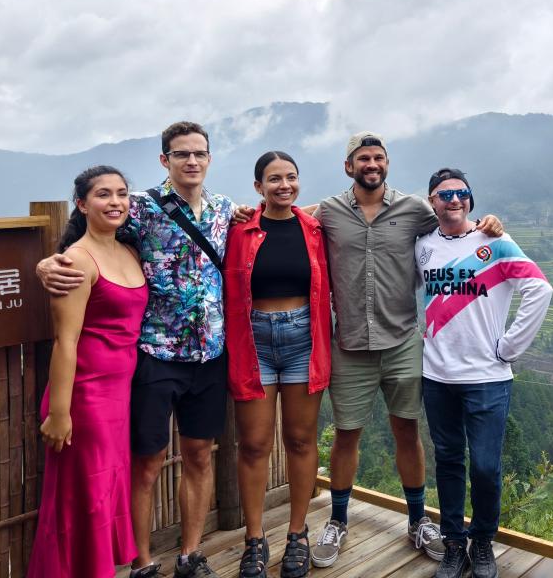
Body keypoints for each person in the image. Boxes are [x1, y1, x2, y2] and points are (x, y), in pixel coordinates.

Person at [36, 122, 235, 578]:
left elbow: (279, 213)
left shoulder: (226, 209)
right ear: (165, 160)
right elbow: (90, 237)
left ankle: (189, 555)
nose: (191, 161)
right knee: (145, 462)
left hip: (210, 353)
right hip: (154, 355)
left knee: (200, 454)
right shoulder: (140, 208)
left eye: (199, 153)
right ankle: (141, 561)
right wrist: (46, 263)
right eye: (181, 154)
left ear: (209, 158)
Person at [307, 133, 504, 569]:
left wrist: (487, 223)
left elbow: (454, 222)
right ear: (349, 166)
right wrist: (250, 211)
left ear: (387, 163)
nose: (371, 164)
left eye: (378, 157)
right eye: (363, 158)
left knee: (407, 431)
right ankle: (338, 520)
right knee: (346, 434)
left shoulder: (414, 209)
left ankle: (418, 520)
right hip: (350, 344)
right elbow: (286, 216)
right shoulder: (330, 211)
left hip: (402, 342)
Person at [417, 168, 552, 578]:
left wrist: (509, 347)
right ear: (432, 202)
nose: (454, 200)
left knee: (485, 467)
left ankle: (482, 541)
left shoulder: (495, 241)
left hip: (487, 378)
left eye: (461, 192)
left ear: (471, 199)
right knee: (448, 461)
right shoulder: (423, 245)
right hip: (436, 375)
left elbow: (540, 288)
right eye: (444, 195)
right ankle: (453, 542)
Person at [28, 166, 148, 577]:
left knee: (103, 491)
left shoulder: (129, 250)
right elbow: (65, 341)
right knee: (88, 497)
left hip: (118, 395)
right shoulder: (77, 260)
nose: (115, 202)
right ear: (81, 204)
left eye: (122, 193)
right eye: (103, 194)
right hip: (85, 395)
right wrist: (59, 413)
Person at [223, 151, 332, 578]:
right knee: (253, 444)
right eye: (274, 179)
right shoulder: (239, 230)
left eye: (291, 177)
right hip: (254, 340)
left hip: (304, 338)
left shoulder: (316, 229)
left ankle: (297, 533)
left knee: (301, 440)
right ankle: (254, 538)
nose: (284, 185)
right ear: (258, 187)